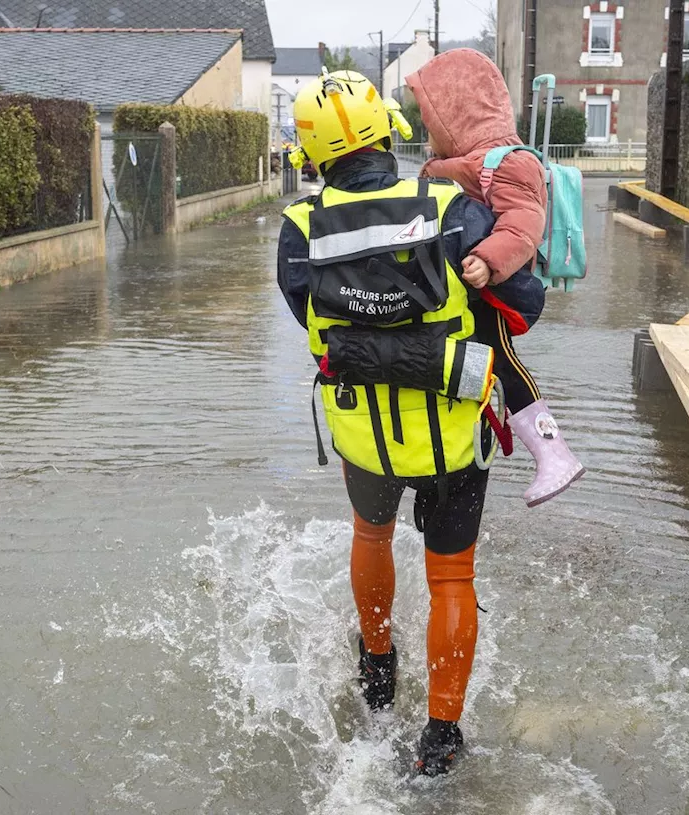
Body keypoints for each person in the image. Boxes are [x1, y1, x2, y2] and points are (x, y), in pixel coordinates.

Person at [277, 71, 546, 776]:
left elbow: (313, 319)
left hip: (364, 434)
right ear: (387, 128)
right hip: (454, 428)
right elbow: (525, 300)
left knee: (371, 532)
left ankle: (376, 660)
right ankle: (442, 735)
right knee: (451, 577)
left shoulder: (298, 229)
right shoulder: (456, 208)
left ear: (311, 155)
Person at [405, 49, 584, 507]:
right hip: (463, 291)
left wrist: (488, 260)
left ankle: (554, 454)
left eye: (432, 124)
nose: (429, 136)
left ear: (455, 115)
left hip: (494, 290)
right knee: (476, 368)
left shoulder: (508, 162)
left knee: (502, 363)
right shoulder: (463, 162)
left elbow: (525, 223)